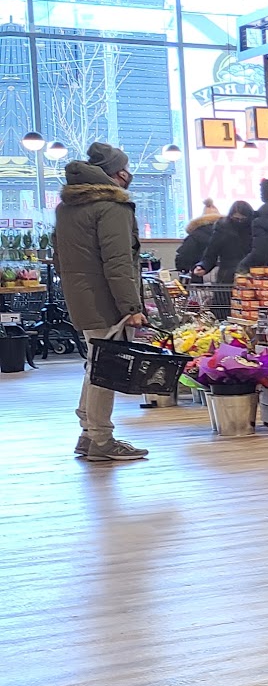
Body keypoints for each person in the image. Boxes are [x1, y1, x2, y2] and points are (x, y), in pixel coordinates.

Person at [53, 141, 148, 463]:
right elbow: (118, 262)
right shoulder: (112, 207)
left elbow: (59, 256)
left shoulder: (67, 207)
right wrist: (131, 308)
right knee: (106, 368)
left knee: (95, 364)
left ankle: (88, 434)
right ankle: (101, 439)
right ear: (118, 173)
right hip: (106, 300)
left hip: (81, 296)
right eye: (126, 169)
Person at [174, 199, 221, 274]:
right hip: (225, 275)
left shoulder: (194, 236)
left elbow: (181, 261)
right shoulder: (229, 233)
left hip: (199, 275)